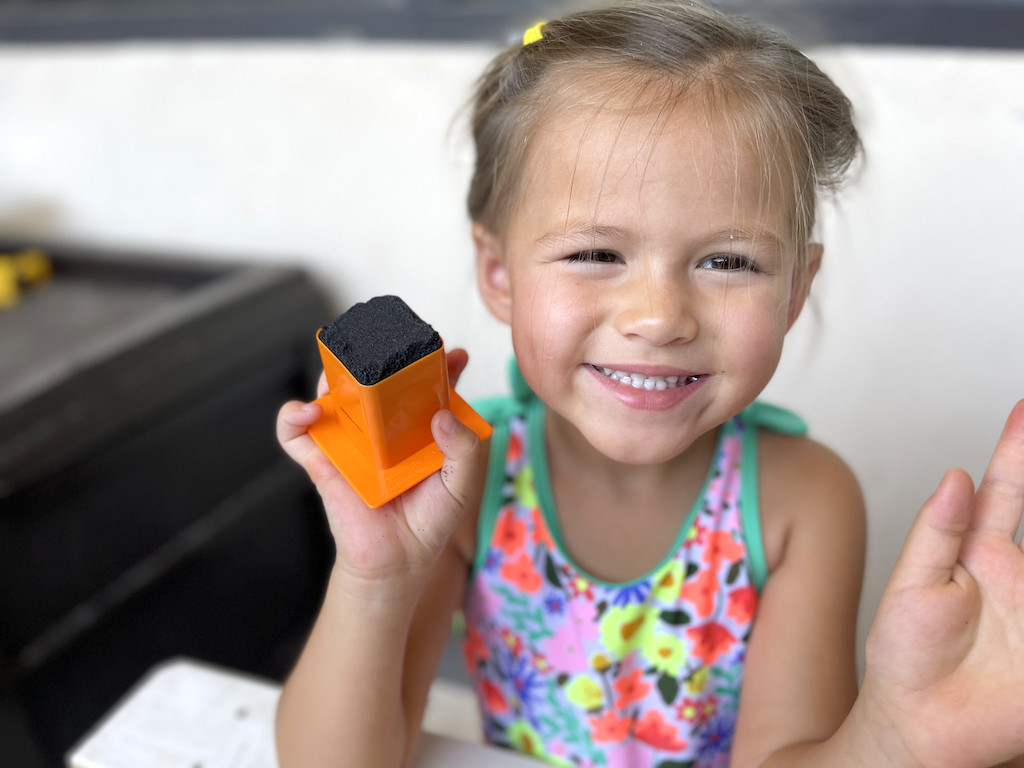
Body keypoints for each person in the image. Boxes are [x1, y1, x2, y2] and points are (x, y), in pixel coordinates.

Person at [273, 2, 1024, 766]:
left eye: (728, 262)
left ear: (796, 290)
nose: (659, 318)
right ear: (499, 274)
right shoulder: (467, 479)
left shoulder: (804, 501)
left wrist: (894, 740)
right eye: (596, 252)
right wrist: (375, 575)